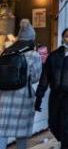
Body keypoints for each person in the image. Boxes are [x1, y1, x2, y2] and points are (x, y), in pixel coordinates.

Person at [0, 20, 42, 149]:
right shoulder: (33, 55)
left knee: (2, 129)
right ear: (32, 39)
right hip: (23, 97)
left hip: (4, 96)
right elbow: (35, 78)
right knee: (22, 131)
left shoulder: (6, 52)